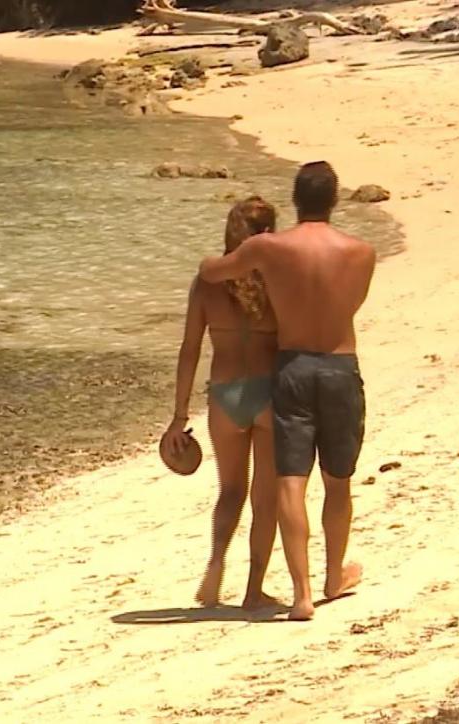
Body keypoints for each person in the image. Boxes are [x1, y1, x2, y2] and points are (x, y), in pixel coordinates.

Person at [198, 162, 376, 621]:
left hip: (292, 368)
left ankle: (301, 596)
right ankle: (333, 576)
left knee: (291, 481)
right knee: (338, 481)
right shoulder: (362, 253)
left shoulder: (268, 248)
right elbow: (349, 305)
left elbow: (213, 272)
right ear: (334, 200)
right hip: (339, 365)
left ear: (295, 200)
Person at [163, 196, 283, 610]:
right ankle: (253, 590)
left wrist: (179, 415)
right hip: (270, 392)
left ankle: (216, 563)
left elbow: (189, 350)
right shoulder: (278, 280)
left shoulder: (206, 282)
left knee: (231, 489)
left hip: (226, 394)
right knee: (265, 497)